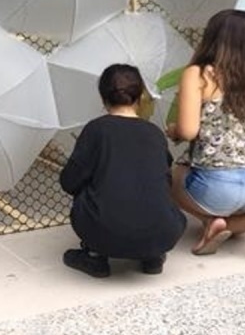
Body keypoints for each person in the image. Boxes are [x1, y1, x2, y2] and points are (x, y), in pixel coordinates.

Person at [166, 10, 245, 262]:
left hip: (219, 185)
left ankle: (212, 221)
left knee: (173, 175)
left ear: (212, 37)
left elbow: (189, 131)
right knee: (238, 204)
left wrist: (173, 130)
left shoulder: (199, 74)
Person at [58, 64, 187, 278]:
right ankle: (151, 257)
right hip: (164, 233)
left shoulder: (96, 130)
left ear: (103, 97)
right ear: (140, 96)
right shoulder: (154, 133)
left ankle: (95, 255)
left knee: (85, 193)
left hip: (106, 233)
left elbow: (69, 182)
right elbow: (164, 179)